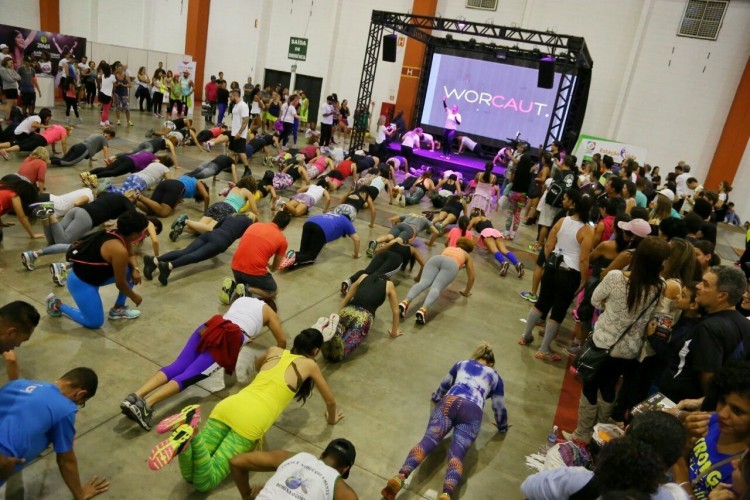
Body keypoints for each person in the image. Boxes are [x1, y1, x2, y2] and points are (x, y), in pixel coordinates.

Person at [146, 329, 343, 493]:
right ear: (315, 350)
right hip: (250, 422)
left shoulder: (275, 350)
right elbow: (331, 402)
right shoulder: (309, 365)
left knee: (190, 476)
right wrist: (332, 419)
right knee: (205, 482)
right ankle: (193, 436)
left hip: (229, 407)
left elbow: (258, 364)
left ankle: (187, 435)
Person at [121, 297, 287, 430]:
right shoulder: (270, 313)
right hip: (227, 338)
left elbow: (236, 322)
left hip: (211, 326)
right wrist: (277, 363)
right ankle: (146, 406)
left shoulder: (243, 300)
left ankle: (135, 396)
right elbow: (281, 342)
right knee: (189, 376)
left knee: (177, 366)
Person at [563, 237, 670, 443]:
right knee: (610, 387)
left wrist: (608, 307)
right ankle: (598, 432)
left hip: (603, 342)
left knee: (590, 384)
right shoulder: (660, 286)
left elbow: (595, 299)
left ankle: (582, 433)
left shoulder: (616, 277)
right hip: (629, 350)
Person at [382, 342, 507, 500]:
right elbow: (499, 407)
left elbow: (445, 384)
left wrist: (436, 397)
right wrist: (502, 427)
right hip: (472, 411)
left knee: (427, 441)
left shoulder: (462, 364)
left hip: (448, 402)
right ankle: (446, 493)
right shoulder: (495, 376)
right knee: (457, 455)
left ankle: (400, 476)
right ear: (491, 363)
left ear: (476, 357)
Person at [522, 411, 688, 499]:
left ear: (625, 432)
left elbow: (529, 487)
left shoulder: (578, 480)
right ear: (669, 465)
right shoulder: (675, 496)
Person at [0, 367, 110, 498]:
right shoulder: (65, 408)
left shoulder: (18, 384)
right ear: (80, 394)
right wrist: (80, 494)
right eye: (80, 403)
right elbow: (66, 461)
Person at [657, 266, 750, 403]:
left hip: (679, 404)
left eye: (705, 284)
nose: (699, 287)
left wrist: (706, 406)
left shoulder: (709, 328)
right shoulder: (745, 325)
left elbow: (708, 379)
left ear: (722, 295)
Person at [518, 194, 594, 360]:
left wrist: (547, 261)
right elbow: (584, 258)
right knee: (558, 311)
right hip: (569, 273)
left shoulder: (562, 221)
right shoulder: (587, 230)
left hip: (552, 266)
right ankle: (544, 348)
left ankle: (526, 335)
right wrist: (583, 279)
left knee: (541, 303)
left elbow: (549, 245)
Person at [45, 211, 148, 328]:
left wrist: (136, 269)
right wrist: (134, 296)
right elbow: (120, 283)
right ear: (134, 234)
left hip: (97, 275)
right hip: (82, 282)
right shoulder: (119, 250)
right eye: (143, 231)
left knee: (130, 271)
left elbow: (131, 255)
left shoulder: (119, 234)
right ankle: (56, 304)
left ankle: (118, 309)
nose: (144, 234)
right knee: (95, 322)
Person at [672, 362, 750, 499]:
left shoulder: (744, 471)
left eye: (737, 411)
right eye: (722, 401)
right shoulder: (712, 420)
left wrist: (681, 475)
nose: (722, 414)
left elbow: (679, 464)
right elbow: (682, 453)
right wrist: (685, 438)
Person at [20, 192, 135, 269]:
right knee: (63, 242)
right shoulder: (126, 202)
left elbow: (102, 206)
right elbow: (134, 217)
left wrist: (104, 222)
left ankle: (46, 216)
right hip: (87, 218)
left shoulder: (113, 194)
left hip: (77, 210)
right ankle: (51, 214)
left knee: (52, 240)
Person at [230, 438, 358, 500]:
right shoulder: (343, 490)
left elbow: (236, 461)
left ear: (322, 455)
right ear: (344, 470)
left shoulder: (292, 457)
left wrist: (247, 496)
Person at [322, 273, 402, 362]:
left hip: (348, 310)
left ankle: (329, 339)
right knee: (346, 345)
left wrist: (336, 317)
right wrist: (394, 332)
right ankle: (339, 347)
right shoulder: (389, 284)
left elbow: (347, 297)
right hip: (364, 317)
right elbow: (396, 311)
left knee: (335, 332)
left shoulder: (363, 276)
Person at [398, 238, 476, 325]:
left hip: (436, 259)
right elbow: (471, 277)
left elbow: (444, 260)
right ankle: (423, 310)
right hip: (452, 265)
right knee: (436, 287)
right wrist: (466, 292)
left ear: (457, 244)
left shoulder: (449, 248)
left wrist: (418, 277)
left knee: (423, 283)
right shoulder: (467, 255)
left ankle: (405, 302)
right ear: (469, 250)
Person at [222, 210, 290, 303]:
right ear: (285, 227)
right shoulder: (282, 240)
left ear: (273, 218)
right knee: (273, 291)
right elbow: (275, 268)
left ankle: (233, 286)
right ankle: (248, 289)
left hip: (235, 266)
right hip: (253, 272)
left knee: (244, 280)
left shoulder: (254, 225)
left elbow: (250, 247)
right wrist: (271, 266)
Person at [168, 177, 259, 240]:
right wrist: (259, 223)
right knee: (210, 230)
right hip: (228, 210)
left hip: (217, 205)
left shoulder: (234, 188)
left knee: (199, 228)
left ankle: (181, 228)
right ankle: (185, 221)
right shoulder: (247, 192)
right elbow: (254, 211)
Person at [279, 212, 360, 270]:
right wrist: (356, 254)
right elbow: (357, 239)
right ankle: (294, 256)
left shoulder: (332, 213)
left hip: (309, 223)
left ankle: (291, 257)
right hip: (321, 229)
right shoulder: (347, 222)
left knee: (303, 252)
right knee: (311, 257)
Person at [468, 208, 524, 278]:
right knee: (504, 250)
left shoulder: (474, 219)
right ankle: (517, 263)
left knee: (495, 250)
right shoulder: (486, 218)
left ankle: (503, 263)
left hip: (486, 232)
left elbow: (467, 229)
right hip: (496, 232)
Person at [367, 213, 439, 257]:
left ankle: (376, 241)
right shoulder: (426, 220)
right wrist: (430, 243)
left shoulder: (411, 214)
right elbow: (436, 232)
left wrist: (394, 229)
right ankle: (379, 250)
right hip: (410, 229)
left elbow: (393, 219)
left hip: (401, 225)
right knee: (398, 240)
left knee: (389, 236)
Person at [505, 153, 534, 239]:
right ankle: (513, 234)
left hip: (514, 193)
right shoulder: (530, 173)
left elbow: (510, 181)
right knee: (517, 214)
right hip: (523, 195)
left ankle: (506, 232)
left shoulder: (516, 170)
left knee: (510, 213)